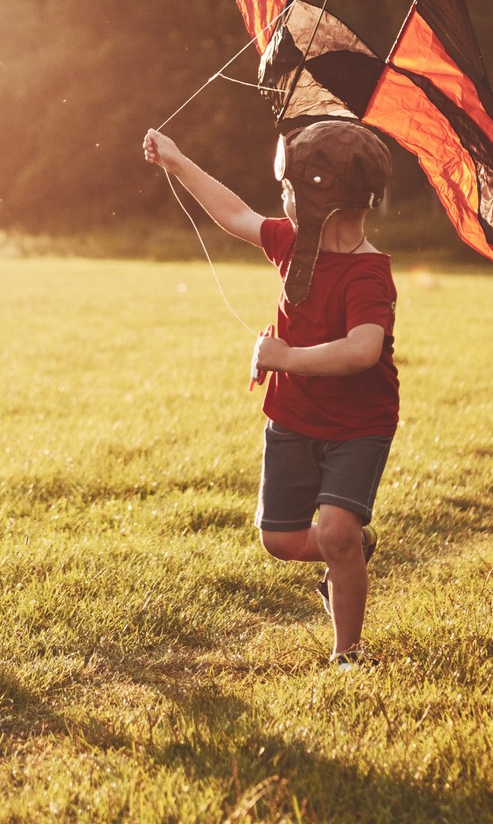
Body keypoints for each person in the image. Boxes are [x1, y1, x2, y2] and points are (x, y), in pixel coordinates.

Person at [143, 119, 396, 668]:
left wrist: (285, 358)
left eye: (291, 188)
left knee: (334, 532)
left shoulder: (368, 273)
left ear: (320, 198)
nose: (282, 199)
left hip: (359, 424)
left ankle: (348, 653)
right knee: (279, 541)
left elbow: (363, 350)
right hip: (293, 416)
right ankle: (353, 547)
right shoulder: (292, 243)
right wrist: (177, 160)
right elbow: (235, 214)